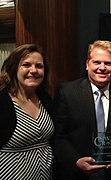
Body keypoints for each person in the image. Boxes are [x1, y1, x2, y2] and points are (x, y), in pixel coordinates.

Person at [52, 40, 111, 180]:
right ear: (87, 64)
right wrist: (76, 160)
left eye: (108, 63)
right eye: (97, 62)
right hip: (75, 175)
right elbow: (58, 136)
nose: (102, 68)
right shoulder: (66, 93)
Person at [0, 44, 54, 179]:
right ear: (14, 69)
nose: (33, 70)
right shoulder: (2, 101)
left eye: (39, 66)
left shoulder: (45, 99)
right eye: (26, 65)